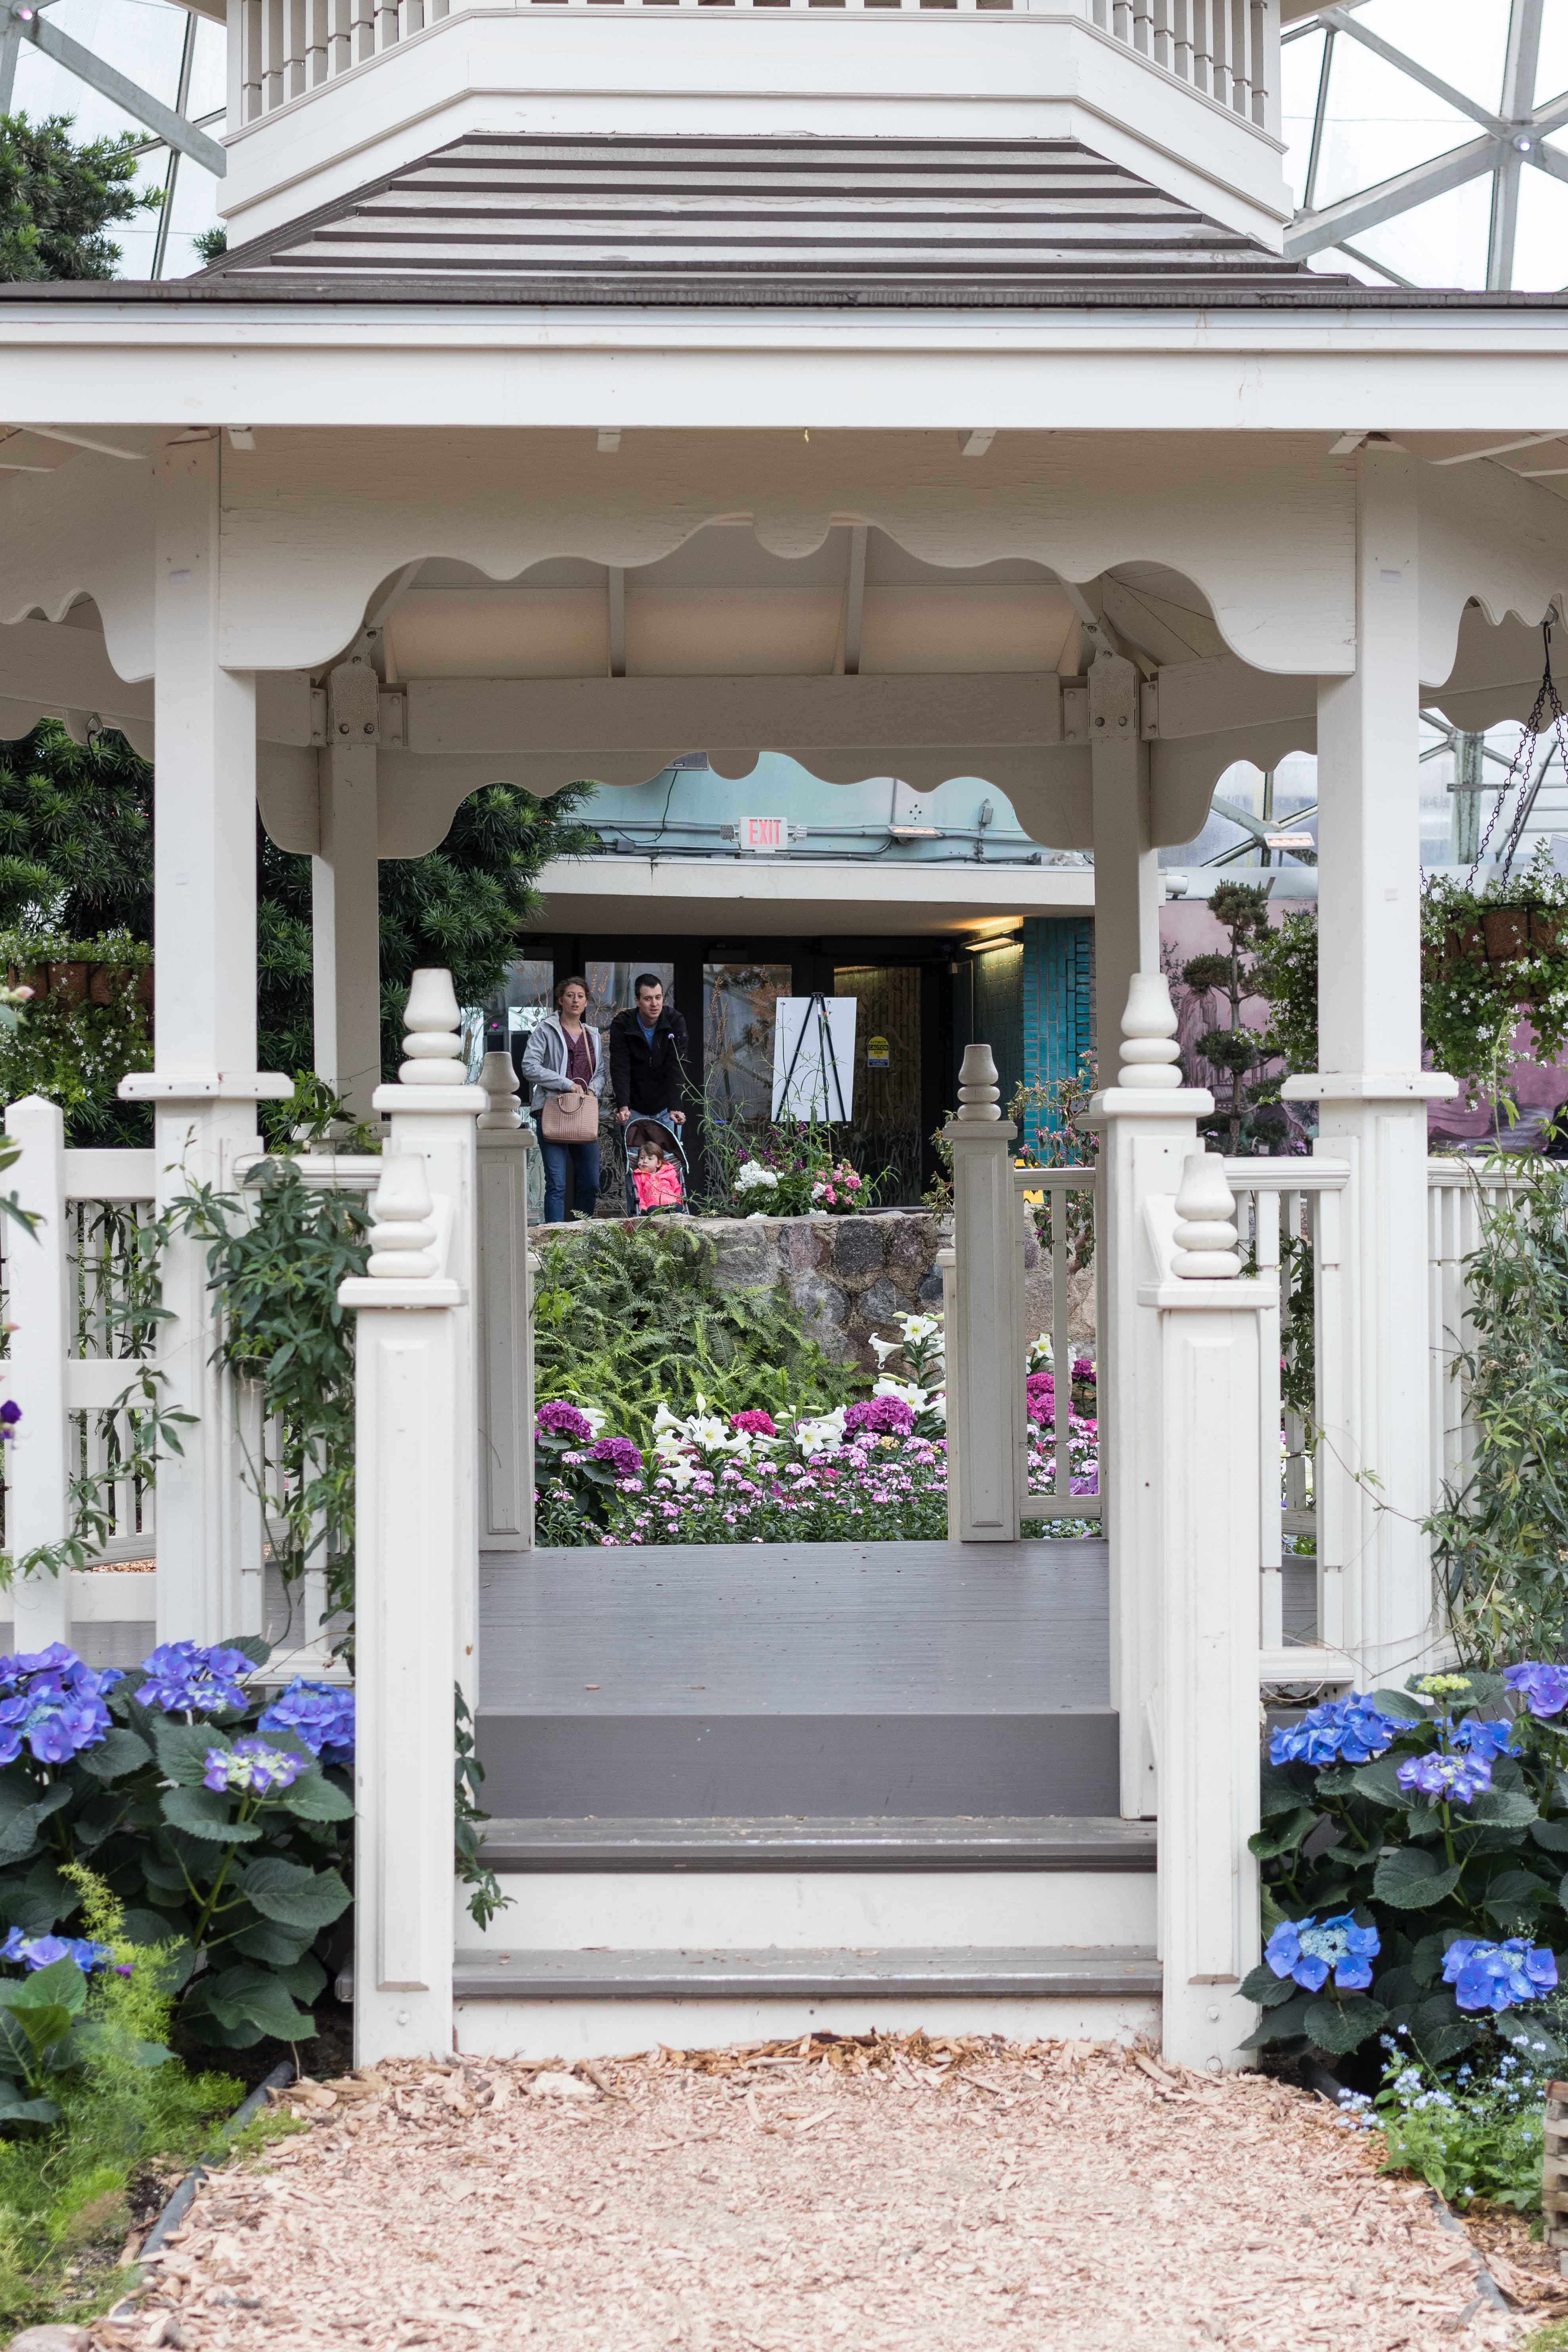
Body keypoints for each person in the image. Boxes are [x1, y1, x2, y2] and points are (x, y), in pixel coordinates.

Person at [519, 976, 605, 1223]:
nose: (575, 1000)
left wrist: (592, 1090)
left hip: (584, 1113)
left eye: (580, 996)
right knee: (556, 1183)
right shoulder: (546, 1030)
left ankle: (583, 1236)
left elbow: (600, 1072)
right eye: (570, 995)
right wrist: (566, 1084)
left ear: (586, 1001)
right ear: (561, 1000)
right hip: (553, 1110)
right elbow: (529, 1067)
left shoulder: (593, 1035)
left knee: (590, 1181)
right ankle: (555, 1240)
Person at [609, 974, 693, 1213]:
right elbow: (620, 1067)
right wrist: (623, 1105)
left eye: (658, 998)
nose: (654, 1004)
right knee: (637, 1165)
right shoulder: (623, 1024)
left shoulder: (674, 1021)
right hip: (634, 1104)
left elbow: (678, 1065)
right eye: (648, 999)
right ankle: (638, 1215)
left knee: (669, 1163)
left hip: (666, 1106)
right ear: (637, 1001)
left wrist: (676, 1106)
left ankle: (673, 1214)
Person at [632, 1129, 684, 1216]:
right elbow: (639, 1195)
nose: (645, 1161)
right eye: (642, 1158)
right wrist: (643, 1208)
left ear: (659, 1163)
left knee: (677, 1208)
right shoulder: (639, 1176)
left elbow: (677, 1189)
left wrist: (679, 1202)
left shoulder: (668, 1172)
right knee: (652, 1210)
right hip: (654, 1206)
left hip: (671, 1204)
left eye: (650, 1159)